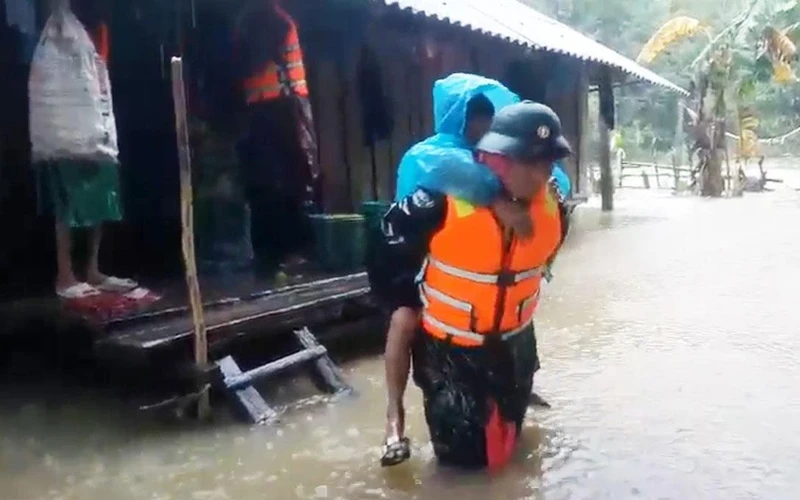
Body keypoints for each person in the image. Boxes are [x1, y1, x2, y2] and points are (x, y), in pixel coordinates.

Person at [367, 101, 572, 469]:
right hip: (452, 351)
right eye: (530, 162)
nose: (540, 173)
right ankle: (394, 419)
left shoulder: (554, 206)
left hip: (516, 345)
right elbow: (385, 243)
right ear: (498, 159)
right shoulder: (440, 203)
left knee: (510, 453)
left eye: (547, 162)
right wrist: (409, 298)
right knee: (461, 469)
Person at [234, 0, 318, 271]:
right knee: (289, 181)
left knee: (261, 184)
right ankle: (288, 251)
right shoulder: (280, 22)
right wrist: (303, 116)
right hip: (281, 107)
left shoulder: (243, 23)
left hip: (254, 110)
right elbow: (293, 75)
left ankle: (266, 253)